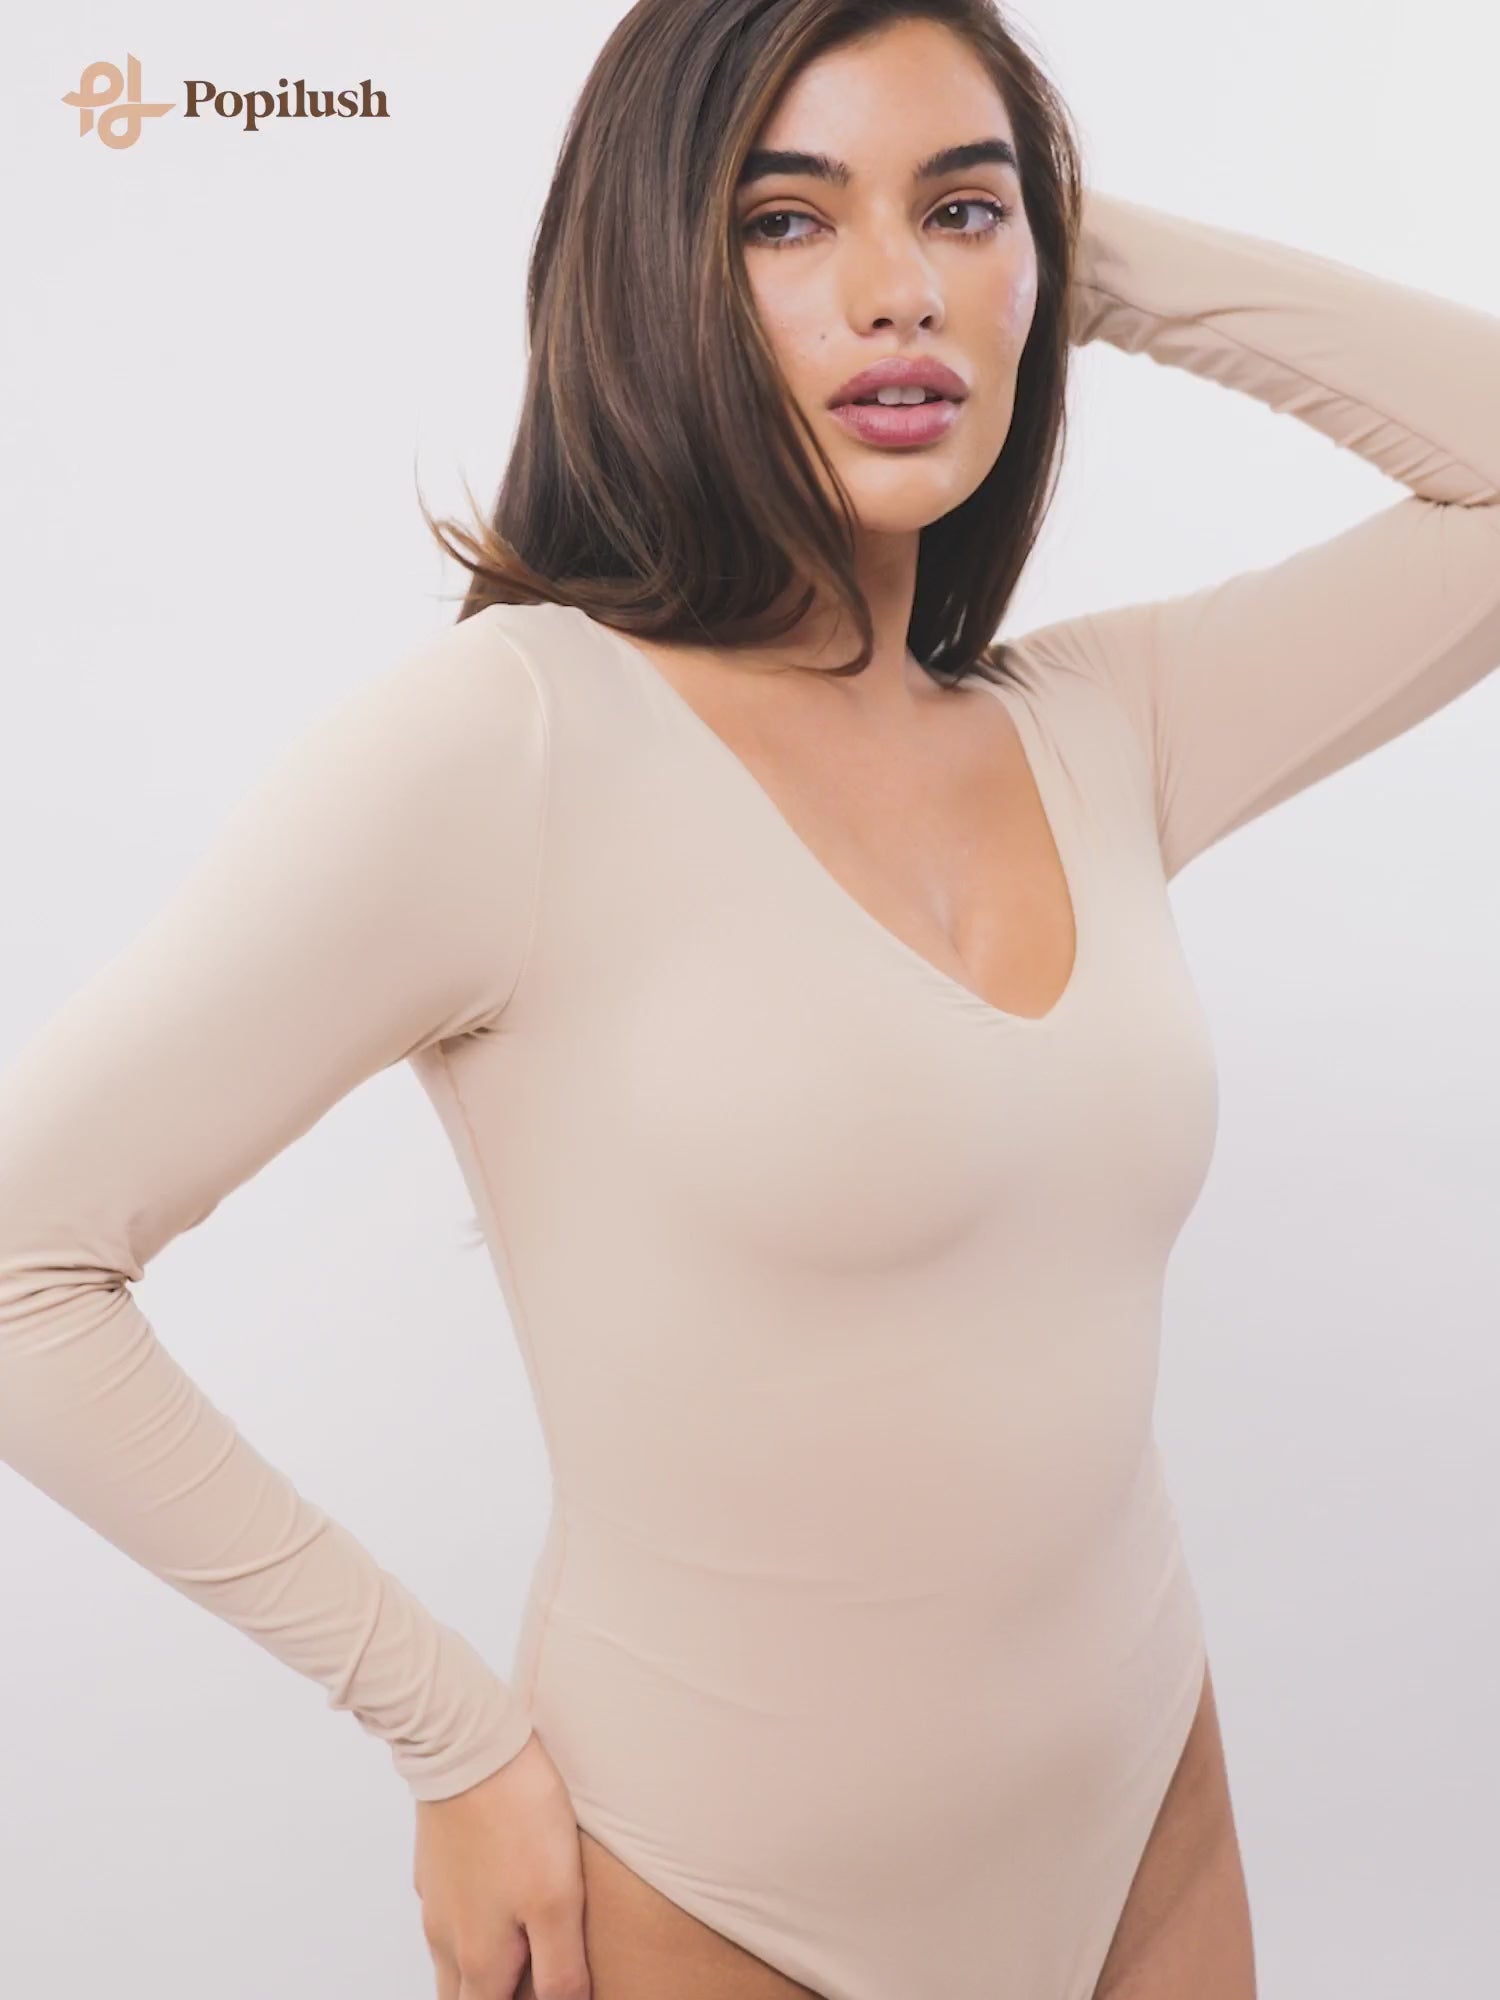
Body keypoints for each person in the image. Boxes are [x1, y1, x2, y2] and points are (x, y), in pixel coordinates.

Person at [3, 2, 1497, 1996]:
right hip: (715, 1896)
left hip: (1146, 1813)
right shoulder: (515, 739)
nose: (898, 293)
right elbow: (26, 1254)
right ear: (657, 277)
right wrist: (448, 1736)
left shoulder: (1098, 725)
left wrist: (1067, 237)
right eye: (788, 222)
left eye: (956, 211)